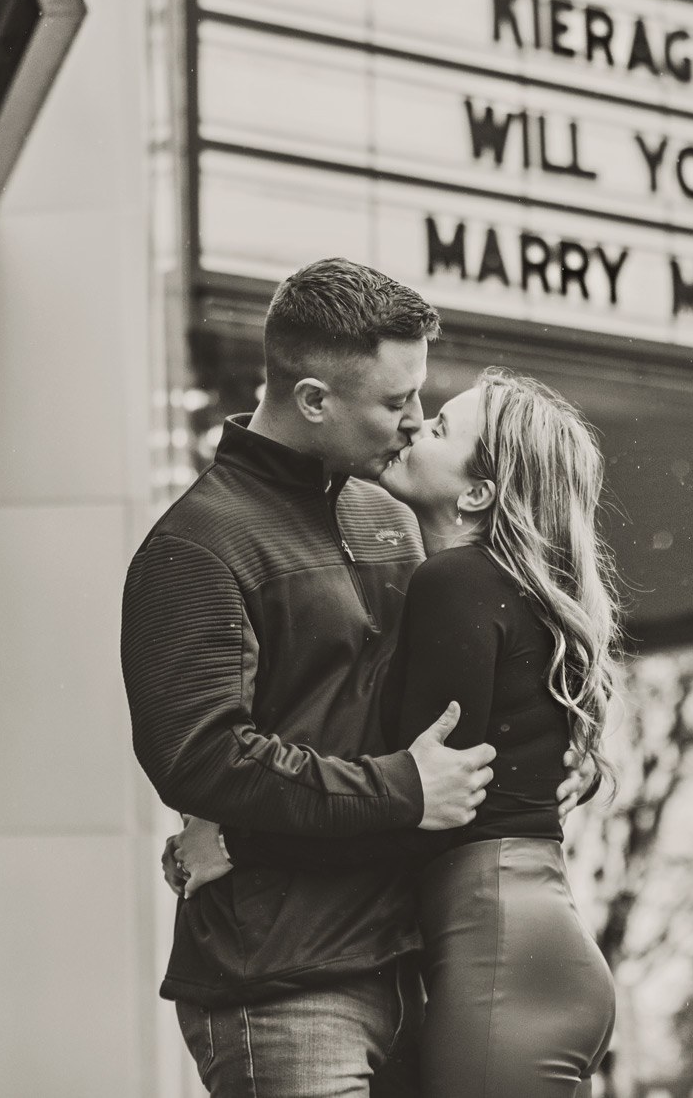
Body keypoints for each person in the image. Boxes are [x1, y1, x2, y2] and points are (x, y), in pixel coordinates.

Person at [175, 369, 623, 1098]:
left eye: (442, 427)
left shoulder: (454, 582)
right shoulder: (506, 587)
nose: (416, 426)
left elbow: (423, 807)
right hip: (533, 949)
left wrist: (232, 842)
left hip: (500, 958)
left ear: (477, 493)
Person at [120, 258, 498, 1098]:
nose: (416, 422)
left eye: (420, 396)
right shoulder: (196, 547)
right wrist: (398, 788)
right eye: (396, 402)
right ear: (314, 400)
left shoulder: (392, 518)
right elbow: (200, 756)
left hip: (414, 967)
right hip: (283, 989)